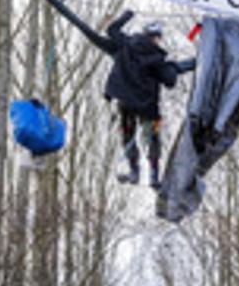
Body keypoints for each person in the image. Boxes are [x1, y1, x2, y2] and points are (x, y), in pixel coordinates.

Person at [77, 10, 196, 189]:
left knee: (127, 135)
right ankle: (154, 175)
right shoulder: (157, 59)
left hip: (125, 103)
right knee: (152, 139)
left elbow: (112, 30)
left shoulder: (126, 44)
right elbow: (170, 79)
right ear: (156, 38)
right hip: (147, 107)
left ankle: (134, 171)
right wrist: (186, 65)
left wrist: (128, 14)